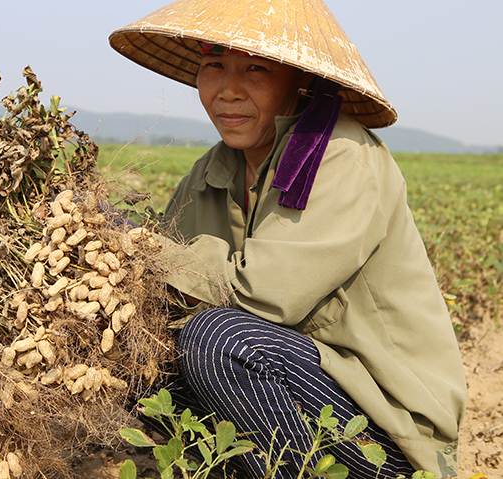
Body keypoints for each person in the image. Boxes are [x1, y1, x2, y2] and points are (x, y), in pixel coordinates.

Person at [109, 1, 467, 478]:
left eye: (255, 68)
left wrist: (142, 247)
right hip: (291, 389)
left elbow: (265, 297)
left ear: (299, 80)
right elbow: (165, 297)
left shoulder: (342, 154)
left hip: (387, 423)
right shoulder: (209, 173)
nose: (228, 90)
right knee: (133, 355)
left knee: (218, 339)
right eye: (214, 64)